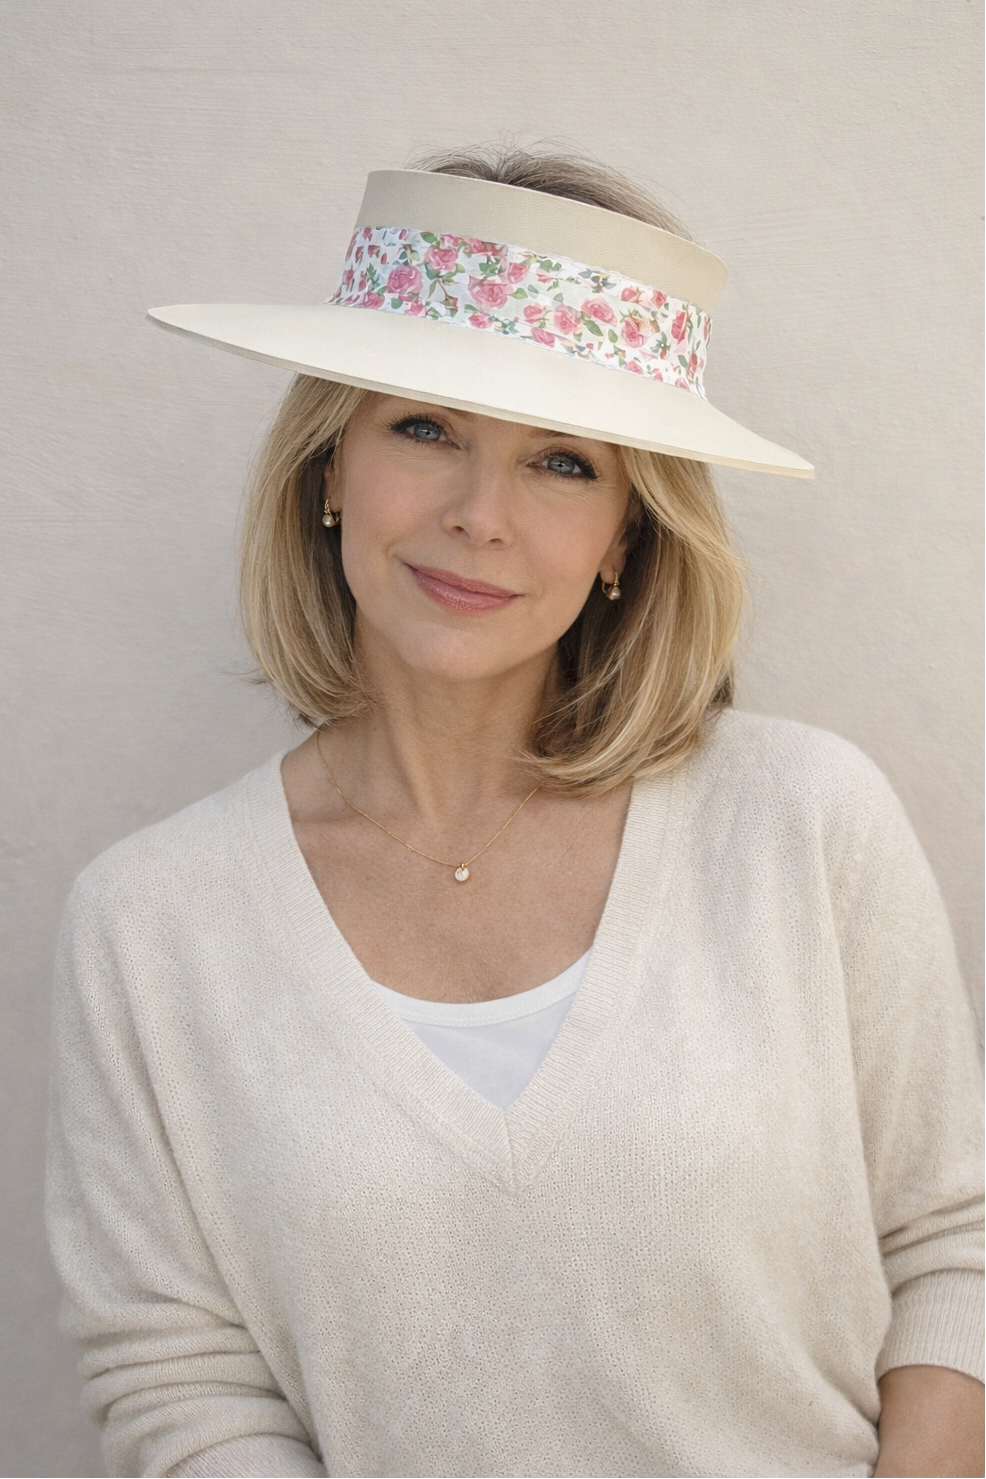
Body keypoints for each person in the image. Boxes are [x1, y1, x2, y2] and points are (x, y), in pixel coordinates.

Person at [46, 148, 983, 1479]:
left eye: (560, 461)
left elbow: (951, 1249)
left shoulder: (802, 825)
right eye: (425, 429)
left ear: (626, 536)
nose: (480, 516)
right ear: (329, 466)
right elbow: (177, 1376)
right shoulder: (149, 924)